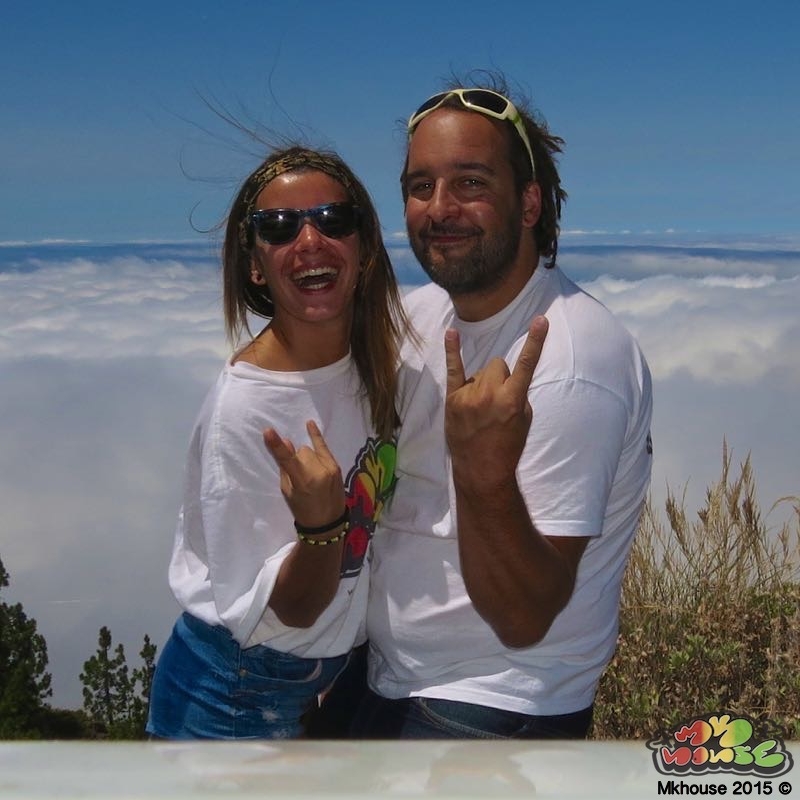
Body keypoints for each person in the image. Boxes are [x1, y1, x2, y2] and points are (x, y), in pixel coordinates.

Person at [345, 78, 653, 739]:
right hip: (391, 678)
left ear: (529, 203)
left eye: (471, 183)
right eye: (420, 185)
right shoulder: (425, 314)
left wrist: (482, 471)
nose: (439, 207)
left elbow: (524, 617)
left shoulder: (572, 361)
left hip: (491, 704)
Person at [146, 145, 408, 739]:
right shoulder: (248, 410)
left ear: (364, 247)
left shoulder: (372, 363)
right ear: (256, 267)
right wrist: (322, 526)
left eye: (333, 219)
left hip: (314, 678)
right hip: (230, 695)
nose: (310, 240)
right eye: (280, 227)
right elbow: (294, 609)